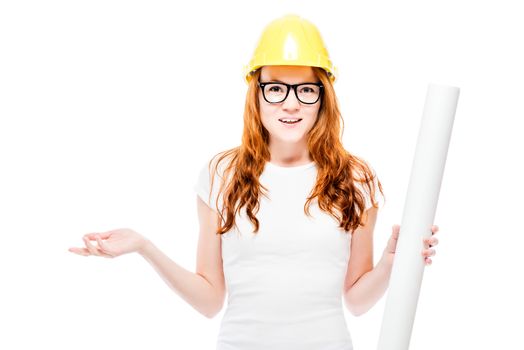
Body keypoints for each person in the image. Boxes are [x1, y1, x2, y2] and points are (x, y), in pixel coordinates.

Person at [69, 14, 440, 350]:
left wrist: (394, 262)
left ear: (323, 98)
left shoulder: (356, 179)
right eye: (275, 88)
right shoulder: (221, 175)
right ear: (256, 93)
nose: (290, 104)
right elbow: (210, 299)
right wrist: (143, 246)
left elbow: (357, 302)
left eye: (306, 90)